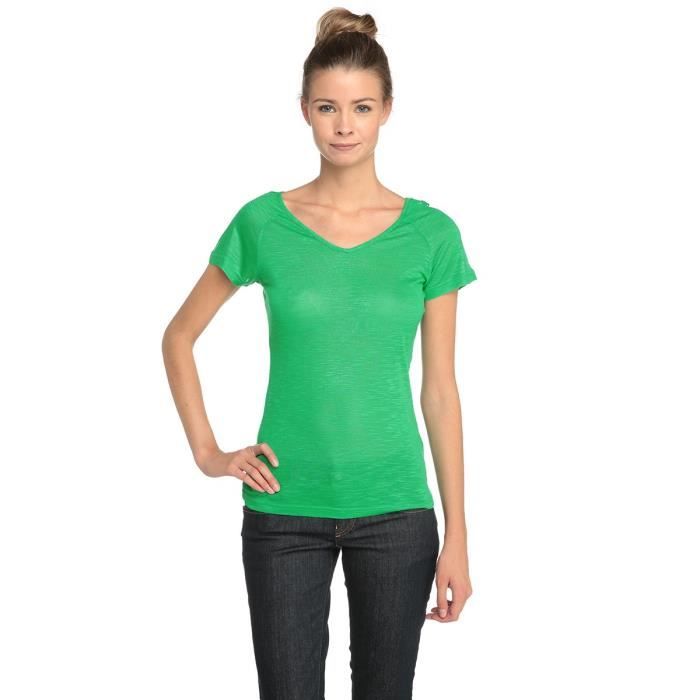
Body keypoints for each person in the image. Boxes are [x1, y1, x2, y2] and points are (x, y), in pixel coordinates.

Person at [162, 7, 477, 699]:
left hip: (396, 512)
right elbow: (179, 336)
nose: (344, 125)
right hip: (284, 510)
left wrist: (457, 533)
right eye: (328, 107)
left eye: (361, 108)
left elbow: (440, 392)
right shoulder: (264, 222)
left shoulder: (432, 235)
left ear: (387, 110)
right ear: (304, 109)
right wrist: (209, 454)